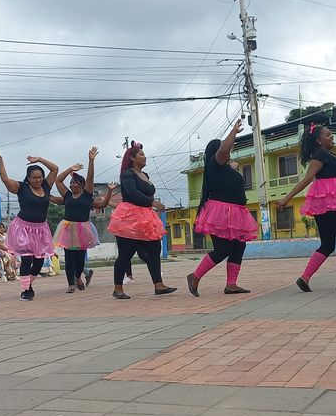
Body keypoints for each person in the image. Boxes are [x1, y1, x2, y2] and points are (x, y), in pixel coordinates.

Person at [278, 122, 336, 292]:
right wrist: (286, 198)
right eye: (328, 134)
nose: (332, 136)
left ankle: (305, 278)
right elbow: (307, 178)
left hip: (328, 204)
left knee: (328, 244)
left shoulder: (331, 155)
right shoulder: (320, 155)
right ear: (318, 140)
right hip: (333, 204)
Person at [187, 119, 259, 297]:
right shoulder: (214, 163)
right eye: (223, 150)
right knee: (223, 249)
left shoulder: (225, 168)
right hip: (220, 213)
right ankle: (195, 276)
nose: (228, 152)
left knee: (239, 246)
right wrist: (233, 132)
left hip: (235, 213)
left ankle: (231, 284)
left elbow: (232, 163)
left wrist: (232, 164)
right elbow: (224, 150)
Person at [108, 141, 177, 299]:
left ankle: (158, 285)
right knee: (126, 254)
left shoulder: (145, 175)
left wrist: (151, 203)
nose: (145, 157)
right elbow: (132, 193)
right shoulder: (127, 174)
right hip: (129, 217)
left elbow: (147, 192)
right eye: (141, 154)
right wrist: (153, 202)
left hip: (145, 217)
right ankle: (118, 288)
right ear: (132, 158)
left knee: (154, 249)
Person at [0, 149, 58, 300]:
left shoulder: (46, 186)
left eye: (40, 177)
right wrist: (0, 159)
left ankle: (28, 284)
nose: (38, 180)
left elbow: (55, 169)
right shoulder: (21, 188)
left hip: (40, 229)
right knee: (27, 259)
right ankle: (25, 290)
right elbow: (5, 179)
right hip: (23, 228)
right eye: (34, 178)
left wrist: (39, 159)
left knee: (39, 262)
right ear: (28, 178)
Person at [50, 147, 117, 293]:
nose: (72, 185)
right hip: (67, 229)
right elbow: (58, 180)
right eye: (71, 183)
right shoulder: (67, 195)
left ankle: (78, 277)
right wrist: (70, 169)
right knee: (69, 257)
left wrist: (91, 161)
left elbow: (90, 179)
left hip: (82, 229)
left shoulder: (87, 195)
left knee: (80, 258)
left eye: (75, 183)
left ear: (81, 185)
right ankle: (71, 284)